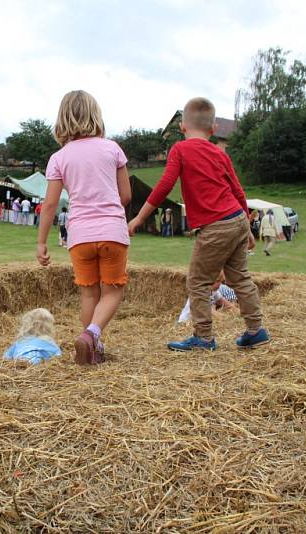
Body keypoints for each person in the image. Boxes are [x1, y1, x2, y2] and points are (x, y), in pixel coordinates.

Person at [127, 96, 269, 351]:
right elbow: (237, 191)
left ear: (182, 126)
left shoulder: (180, 150)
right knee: (240, 278)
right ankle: (256, 329)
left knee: (198, 281)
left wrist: (138, 218)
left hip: (215, 226)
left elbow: (164, 186)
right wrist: (247, 227)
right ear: (214, 128)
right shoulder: (220, 153)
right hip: (236, 219)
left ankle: (203, 337)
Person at [37, 90, 132, 365]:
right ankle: (91, 334)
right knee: (113, 290)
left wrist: (41, 243)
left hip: (79, 236)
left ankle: (92, 348)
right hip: (112, 231)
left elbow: (51, 204)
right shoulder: (112, 148)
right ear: (95, 116)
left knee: (89, 292)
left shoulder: (59, 157)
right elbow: (125, 196)